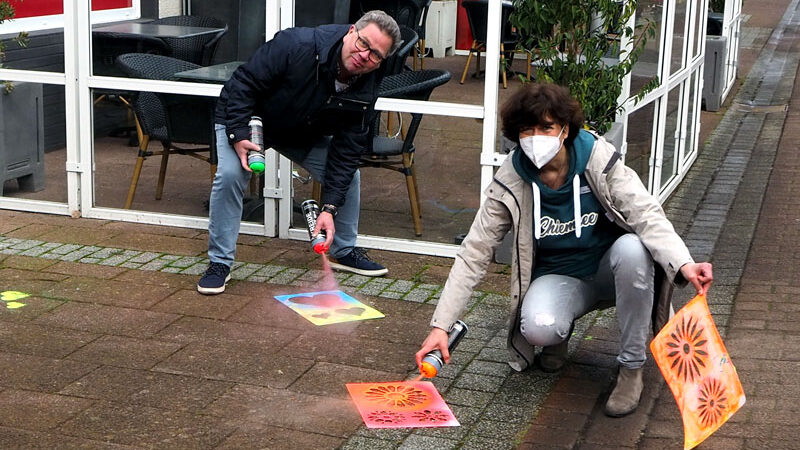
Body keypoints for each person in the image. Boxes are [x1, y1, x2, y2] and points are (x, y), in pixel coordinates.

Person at [415, 83, 713, 418]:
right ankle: (560, 334)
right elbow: (474, 252)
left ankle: (631, 368)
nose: (535, 136)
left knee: (633, 250)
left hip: (610, 268)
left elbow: (645, 213)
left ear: (565, 129)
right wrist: (441, 325)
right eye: (527, 129)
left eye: (546, 127)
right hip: (559, 276)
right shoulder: (511, 178)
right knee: (539, 327)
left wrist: (684, 263)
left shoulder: (597, 157)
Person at [197, 11, 401, 295]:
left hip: (299, 129)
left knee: (348, 176)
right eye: (363, 43)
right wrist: (239, 135)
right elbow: (242, 84)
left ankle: (344, 251)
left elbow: (348, 147)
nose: (365, 56)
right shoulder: (297, 45)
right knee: (231, 174)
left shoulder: (369, 81)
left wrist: (329, 208)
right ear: (351, 31)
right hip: (248, 117)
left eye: (376, 55)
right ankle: (219, 263)